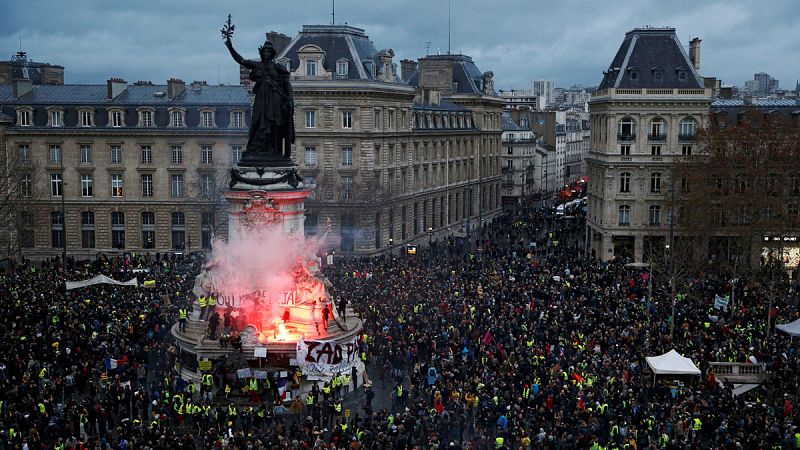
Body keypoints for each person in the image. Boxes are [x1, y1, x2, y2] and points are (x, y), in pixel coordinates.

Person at [223, 17, 294, 162]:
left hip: (275, 100)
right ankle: (256, 147)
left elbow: (288, 87)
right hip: (261, 99)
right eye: (264, 51)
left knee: (274, 125)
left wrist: (290, 101)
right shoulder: (257, 66)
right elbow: (241, 60)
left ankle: (274, 150)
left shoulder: (278, 68)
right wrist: (230, 47)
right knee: (257, 122)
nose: (266, 53)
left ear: (272, 53)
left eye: (269, 51)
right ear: (262, 53)